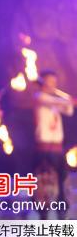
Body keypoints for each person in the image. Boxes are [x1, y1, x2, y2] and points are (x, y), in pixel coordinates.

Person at [32, 69, 74, 219]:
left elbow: (69, 110)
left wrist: (69, 100)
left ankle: (61, 211)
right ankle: (43, 214)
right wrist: (67, 100)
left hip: (57, 146)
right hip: (43, 146)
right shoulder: (39, 97)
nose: (52, 85)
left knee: (61, 178)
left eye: (54, 82)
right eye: (49, 81)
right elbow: (52, 101)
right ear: (43, 82)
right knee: (43, 180)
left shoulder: (55, 101)